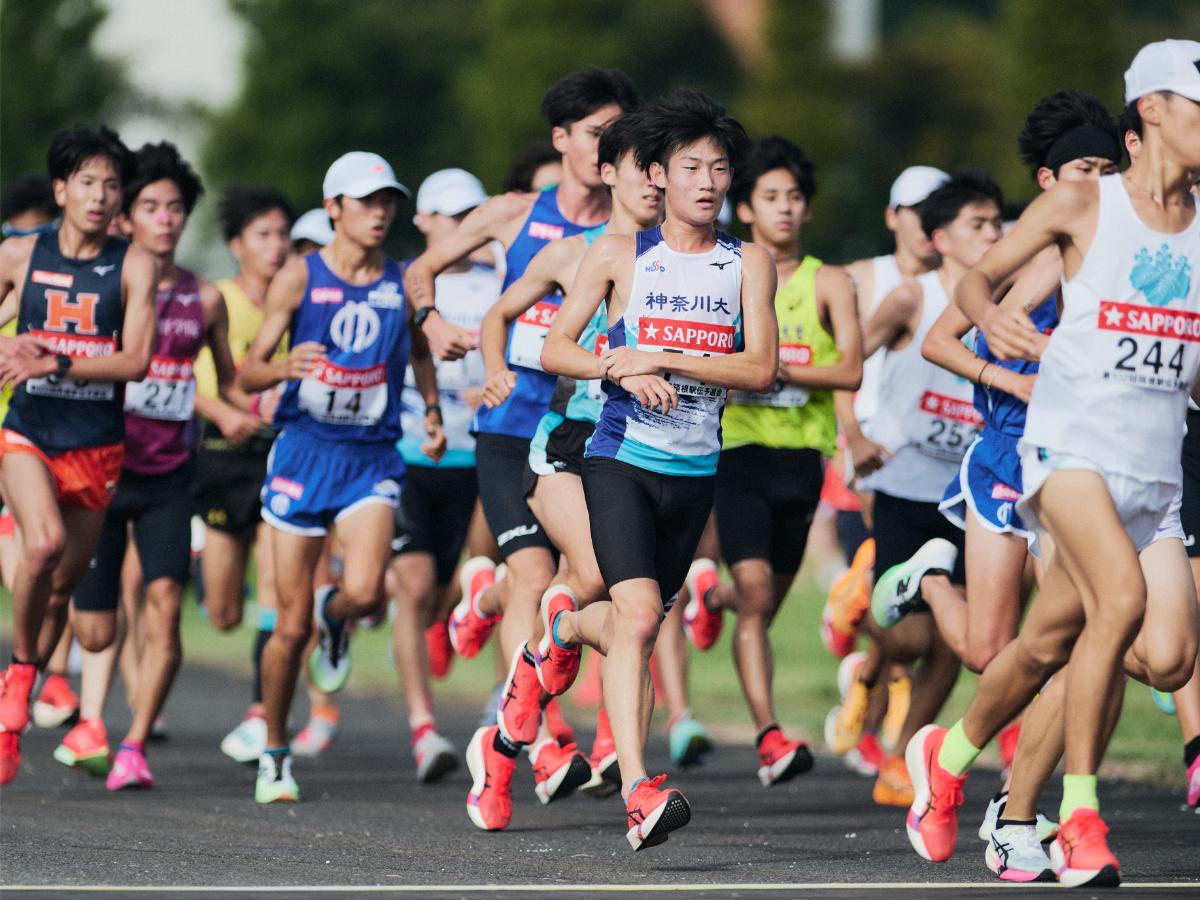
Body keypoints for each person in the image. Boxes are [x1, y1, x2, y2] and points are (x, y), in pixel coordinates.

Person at [904, 40, 1200, 887]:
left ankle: (951, 761)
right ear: (1152, 111)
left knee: (1123, 652)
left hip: (1153, 473)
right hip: (1067, 451)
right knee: (1120, 602)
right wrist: (992, 324)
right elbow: (973, 287)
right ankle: (1078, 818)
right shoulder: (1082, 204)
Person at [537, 88, 777, 849]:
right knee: (639, 617)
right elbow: (556, 348)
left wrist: (663, 355)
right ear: (658, 176)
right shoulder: (618, 254)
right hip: (619, 459)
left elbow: (761, 368)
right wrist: (617, 366)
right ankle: (640, 791)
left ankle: (564, 626)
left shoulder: (749, 263)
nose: (707, 181)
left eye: (719, 168)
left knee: (634, 624)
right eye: (691, 167)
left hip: (695, 471)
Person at [405, 68, 639, 780]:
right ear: (561, 139)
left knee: (590, 581)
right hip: (510, 424)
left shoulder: (633, 231)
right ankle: (543, 740)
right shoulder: (512, 214)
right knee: (536, 573)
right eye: (596, 132)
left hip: (586, 430)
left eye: (619, 133)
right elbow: (420, 271)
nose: (608, 146)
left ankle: (483, 599)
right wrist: (432, 320)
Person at [461, 111, 667, 828]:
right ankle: (631, 781)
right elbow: (504, 319)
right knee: (607, 584)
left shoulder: (701, 265)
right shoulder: (571, 254)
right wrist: (494, 368)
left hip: (659, 452)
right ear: (609, 174)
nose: (658, 183)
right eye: (644, 168)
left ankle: (503, 741)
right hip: (570, 443)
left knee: (630, 616)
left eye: (667, 169)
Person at [239, 151, 444, 804]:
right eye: (366, 202)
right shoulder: (300, 276)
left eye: (388, 202)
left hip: (370, 458)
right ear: (333, 209)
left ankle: (338, 616)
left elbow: (419, 351)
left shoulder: (402, 281)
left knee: (365, 591)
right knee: (288, 627)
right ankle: (275, 751)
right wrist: (283, 368)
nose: (380, 213)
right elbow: (248, 371)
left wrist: (432, 410)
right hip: (303, 455)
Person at [57, 141, 240, 789]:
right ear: (126, 217)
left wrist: (257, 400)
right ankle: (77, 704)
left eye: (176, 208)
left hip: (169, 477)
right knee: (95, 629)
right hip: (102, 470)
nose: (166, 219)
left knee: (165, 607)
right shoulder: (104, 285)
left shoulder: (205, 299)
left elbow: (230, 379)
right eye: (152, 206)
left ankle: (133, 744)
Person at [681, 136, 863, 786]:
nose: (784, 208)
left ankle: (710, 595)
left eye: (793, 197)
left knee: (762, 605)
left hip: (804, 459)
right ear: (747, 208)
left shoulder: (829, 282)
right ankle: (769, 737)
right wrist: (744, 372)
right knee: (757, 598)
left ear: (806, 208)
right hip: (739, 451)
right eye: (770, 197)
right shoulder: (725, 273)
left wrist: (780, 369)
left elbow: (851, 369)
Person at [0, 125, 157, 785]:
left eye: (111, 185)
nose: (99, 196)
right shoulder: (19, 254)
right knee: (41, 547)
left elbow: (137, 360)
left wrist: (57, 359)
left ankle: (22, 687)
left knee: (62, 585)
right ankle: (20, 674)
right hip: (29, 430)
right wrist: (9, 347)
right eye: (87, 182)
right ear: (61, 190)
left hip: (96, 446)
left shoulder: (135, 264)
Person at [846, 172, 1005, 807]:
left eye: (996, 223)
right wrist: (852, 434)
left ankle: (903, 756)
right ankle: (861, 606)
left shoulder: (1010, 300)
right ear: (941, 238)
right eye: (978, 224)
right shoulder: (913, 298)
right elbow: (847, 362)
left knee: (958, 644)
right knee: (910, 639)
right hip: (905, 487)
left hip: (970, 493)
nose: (993, 234)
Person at [391, 167, 499, 781]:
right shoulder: (407, 284)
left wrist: (500, 385)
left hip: (482, 456)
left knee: (472, 579)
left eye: (471, 214)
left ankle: (448, 624)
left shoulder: (501, 280)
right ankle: (423, 729)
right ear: (424, 221)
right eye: (452, 215)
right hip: (412, 453)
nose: (463, 225)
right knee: (412, 588)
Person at [192, 187, 294, 765]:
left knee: (279, 588)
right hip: (223, 454)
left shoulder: (300, 297)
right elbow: (188, 380)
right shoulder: (219, 300)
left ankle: (260, 711)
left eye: (282, 234)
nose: (276, 246)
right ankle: (206, 562)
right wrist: (227, 412)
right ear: (237, 245)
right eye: (263, 235)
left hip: (281, 455)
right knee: (225, 614)